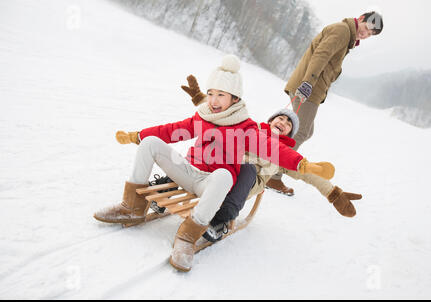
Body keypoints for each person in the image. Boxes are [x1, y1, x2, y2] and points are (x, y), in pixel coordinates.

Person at [93, 54, 335, 272]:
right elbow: (172, 130)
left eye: (220, 95)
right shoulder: (203, 115)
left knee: (225, 175)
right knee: (152, 143)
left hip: (209, 183)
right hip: (189, 170)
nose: (213, 100)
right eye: (211, 93)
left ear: (235, 97)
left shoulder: (247, 127)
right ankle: (132, 207)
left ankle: (188, 237)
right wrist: (138, 136)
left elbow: (271, 148)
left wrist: (303, 165)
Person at [181, 75, 362, 243]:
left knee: (248, 168)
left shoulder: (283, 155)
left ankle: (220, 221)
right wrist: (199, 98)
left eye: (288, 124)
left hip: (243, 184)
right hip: (223, 168)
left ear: (289, 133)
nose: (283, 122)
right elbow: (225, 116)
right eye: (280, 119)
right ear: (270, 122)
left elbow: (308, 174)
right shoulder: (252, 130)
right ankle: (174, 181)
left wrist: (334, 193)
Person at [267, 11, 384, 194]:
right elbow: (320, 55)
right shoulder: (342, 31)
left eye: (370, 35)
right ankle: (272, 175)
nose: (366, 34)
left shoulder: (347, 36)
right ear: (361, 19)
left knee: (306, 131)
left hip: (313, 89)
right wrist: (307, 83)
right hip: (308, 88)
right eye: (367, 29)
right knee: (300, 131)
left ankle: (272, 163)